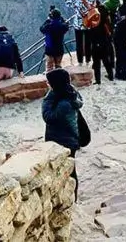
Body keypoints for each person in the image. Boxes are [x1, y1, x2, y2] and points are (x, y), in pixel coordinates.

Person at [42, 68, 83, 200]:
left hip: (63, 140)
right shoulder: (70, 94)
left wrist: (47, 100)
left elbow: (48, 117)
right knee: (70, 168)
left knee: (69, 170)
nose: (48, 85)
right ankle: (71, 197)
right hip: (69, 138)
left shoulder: (63, 103)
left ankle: (72, 198)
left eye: (50, 83)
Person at [65, 0, 97, 66]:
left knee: (86, 43)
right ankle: (81, 61)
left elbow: (87, 2)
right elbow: (69, 4)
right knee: (80, 43)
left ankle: (87, 60)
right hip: (80, 23)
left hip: (87, 22)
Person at [90, 2, 115, 84]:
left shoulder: (94, 14)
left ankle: (98, 80)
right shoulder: (105, 15)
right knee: (106, 60)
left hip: (95, 40)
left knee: (96, 62)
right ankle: (111, 76)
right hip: (105, 40)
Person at [40, 5, 70, 72]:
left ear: (51, 17)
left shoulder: (48, 26)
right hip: (59, 49)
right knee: (58, 66)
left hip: (49, 50)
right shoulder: (62, 26)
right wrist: (63, 20)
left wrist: (48, 20)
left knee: (49, 67)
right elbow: (66, 26)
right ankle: (58, 80)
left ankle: (50, 81)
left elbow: (41, 28)